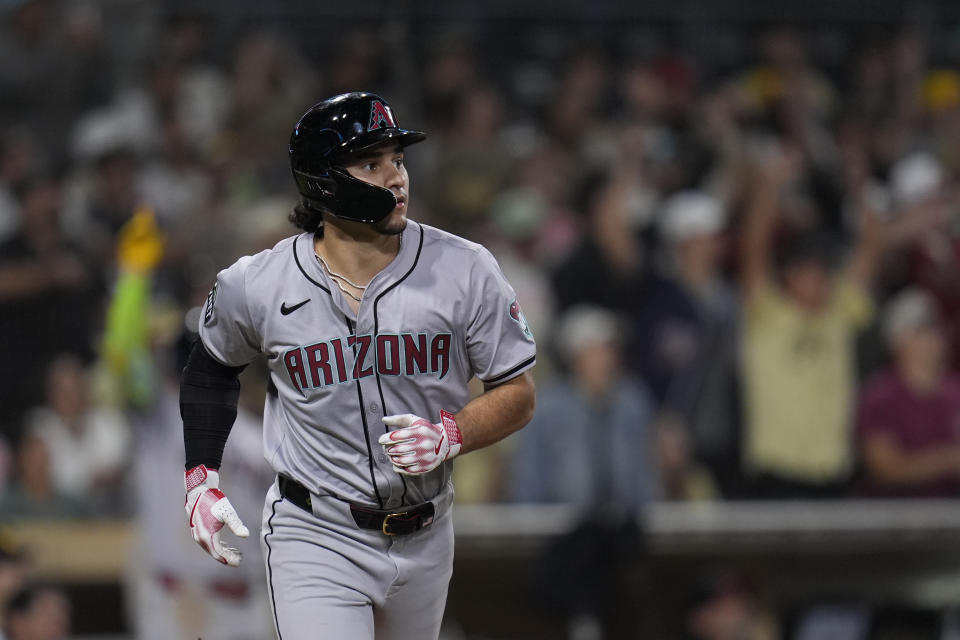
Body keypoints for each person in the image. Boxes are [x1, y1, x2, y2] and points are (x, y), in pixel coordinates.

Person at [179, 92, 537, 640]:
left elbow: (519, 392)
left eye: (399, 159)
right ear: (323, 181)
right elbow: (209, 368)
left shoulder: (466, 269)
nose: (397, 178)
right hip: (315, 531)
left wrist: (453, 433)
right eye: (373, 163)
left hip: (427, 530)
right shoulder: (258, 283)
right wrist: (201, 477)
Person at [739, 147, 883, 497]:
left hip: (832, 472)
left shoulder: (840, 312)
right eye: (811, 271)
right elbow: (753, 249)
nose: (821, 281)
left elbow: (871, 247)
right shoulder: (767, 314)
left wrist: (860, 187)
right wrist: (769, 187)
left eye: (826, 272)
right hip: (775, 472)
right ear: (790, 274)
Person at [857, 288, 960, 497]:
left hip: (950, 514)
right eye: (920, 331)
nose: (932, 338)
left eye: (934, 328)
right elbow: (884, 469)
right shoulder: (880, 396)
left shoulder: (955, 389)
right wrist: (947, 459)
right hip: (893, 520)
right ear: (897, 340)